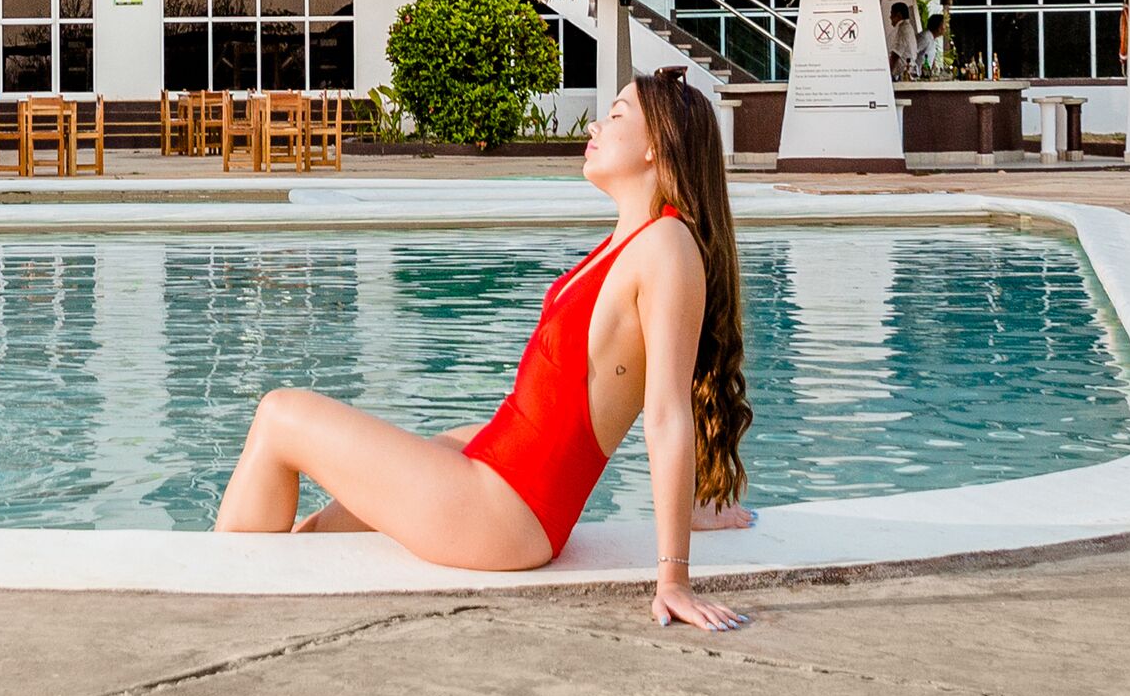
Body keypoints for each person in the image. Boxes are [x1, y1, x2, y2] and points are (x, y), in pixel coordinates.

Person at [211, 70, 755, 628]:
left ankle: (208, 596)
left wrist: (674, 578)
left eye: (616, 115)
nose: (595, 123)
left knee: (280, 416)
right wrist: (691, 505)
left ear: (656, 145)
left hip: (505, 514)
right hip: (501, 481)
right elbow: (629, 386)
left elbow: (666, 410)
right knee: (324, 528)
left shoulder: (666, 244)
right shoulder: (632, 239)